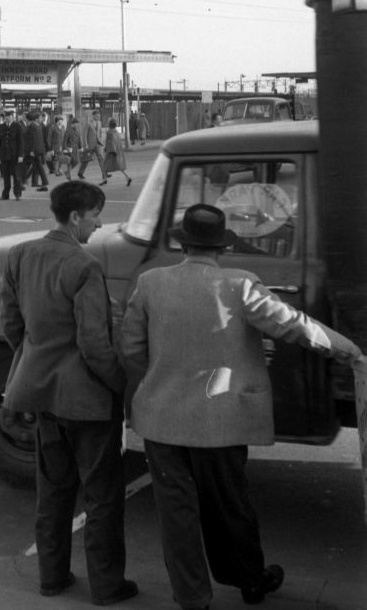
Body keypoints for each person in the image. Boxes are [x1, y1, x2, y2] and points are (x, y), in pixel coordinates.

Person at [120, 204, 363, 610]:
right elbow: (293, 324)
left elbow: (130, 349)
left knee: (177, 515)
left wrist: (160, 380)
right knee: (230, 507)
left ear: (183, 244)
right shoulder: (240, 284)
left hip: (161, 422)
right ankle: (250, 580)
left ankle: (192, 596)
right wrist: (347, 350)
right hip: (222, 421)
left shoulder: (150, 283)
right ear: (220, 248)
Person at [0, 180, 136, 606]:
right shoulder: (84, 267)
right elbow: (95, 344)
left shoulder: (20, 255)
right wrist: (121, 386)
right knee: (101, 496)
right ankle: (107, 585)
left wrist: (34, 359)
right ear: (76, 216)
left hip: (41, 397)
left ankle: (52, 576)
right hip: (87, 402)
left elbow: (10, 323)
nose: (98, 224)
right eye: (95, 215)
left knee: (53, 492)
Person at [0, 108, 24, 200]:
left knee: (16, 176)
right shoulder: (1, 127)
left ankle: (17, 194)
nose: (7, 118)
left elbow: (21, 142)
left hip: (14, 155)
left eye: (9, 117)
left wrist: (20, 155)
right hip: (4, 155)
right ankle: (5, 194)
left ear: (12, 117)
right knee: (6, 176)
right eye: (6, 117)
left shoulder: (17, 126)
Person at [22, 109, 49, 192]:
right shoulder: (38, 126)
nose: (41, 119)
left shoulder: (32, 126)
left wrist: (31, 150)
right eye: (40, 118)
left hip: (33, 151)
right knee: (37, 167)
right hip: (39, 150)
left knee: (27, 166)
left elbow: (32, 139)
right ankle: (43, 184)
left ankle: (22, 183)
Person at [100, 119, 131, 187]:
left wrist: (111, 150)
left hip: (111, 152)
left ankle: (104, 180)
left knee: (104, 166)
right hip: (118, 151)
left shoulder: (110, 132)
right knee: (120, 167)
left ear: (109, 125)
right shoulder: (116, 132)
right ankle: (127, 178)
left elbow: (111, 142)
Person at [77, 113, 104, 182]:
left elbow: (100, 132)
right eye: (97, 116)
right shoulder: (88, 123)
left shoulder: (99, 123)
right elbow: (84, 135)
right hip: (89, 145)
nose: (98, 117)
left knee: (101, 158)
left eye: (99, 116)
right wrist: (85, 145)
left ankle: (104, 173)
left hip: (97, 144)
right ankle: (80, 173)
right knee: (86, 160)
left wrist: (101, 140)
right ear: (93, 116)